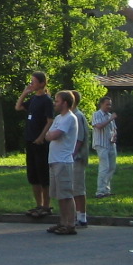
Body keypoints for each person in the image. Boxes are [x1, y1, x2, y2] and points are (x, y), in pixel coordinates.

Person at [16, 71, 54, 217]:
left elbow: (50, 120)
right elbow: (18, 107)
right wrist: (25, 93)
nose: (31, 84)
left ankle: (46, 206)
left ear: (42, 83)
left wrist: (41, 136)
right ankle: (38, 205)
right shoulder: (33, 99)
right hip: (30, 140)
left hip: (40, 142)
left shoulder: (47, 100)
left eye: (34, 82)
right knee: (33, 175)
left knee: (43, 174)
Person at [45, 90, 80, 236]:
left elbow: (54, 134)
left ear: (65, 103)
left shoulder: (70, 118)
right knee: (59, 195)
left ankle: (71, 224)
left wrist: (50, 135)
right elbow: (48, 134)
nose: (55, 103)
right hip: (54, 160)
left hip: (63, 161)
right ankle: (62, 222)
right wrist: (50, 135)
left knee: (66, 194)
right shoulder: (59, 118)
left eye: (57, 101)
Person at [70, 90, 90, 229]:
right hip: (71, 158)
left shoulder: (78, 116)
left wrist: (72, 154)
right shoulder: (70, 115)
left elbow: (79, 139)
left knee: (78, 188)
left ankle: (82, 217)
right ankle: (75, 215)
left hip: (76, 158)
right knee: (71, 189)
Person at [92, 96, 118, 198]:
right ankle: (100, 191)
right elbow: (98, 126)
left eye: (110, 104)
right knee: (104, 167)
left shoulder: (110, 115)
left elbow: (114, 128)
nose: (109, 106)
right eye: (107, 104)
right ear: (101, 104)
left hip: (111, 144)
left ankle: (106, 189)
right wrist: (110, 119)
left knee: (111, 167)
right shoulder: (96, 114)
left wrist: (114, 135)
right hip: (101, 144)